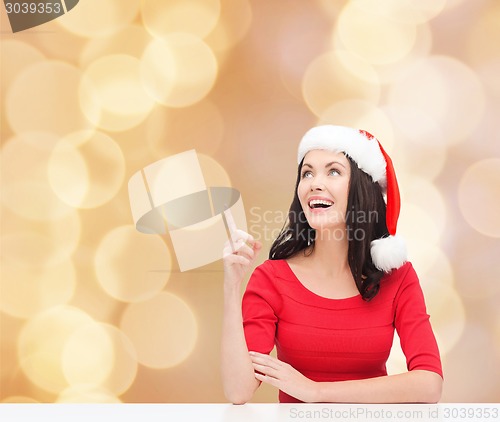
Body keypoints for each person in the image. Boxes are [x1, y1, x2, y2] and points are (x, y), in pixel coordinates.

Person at [221, 125, 443, 404]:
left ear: (361, 188)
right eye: (307, 173)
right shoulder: (271, 279)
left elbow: (429, 384)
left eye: (333, 171)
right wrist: (232, 286)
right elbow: (238, 391)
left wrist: (316, 392)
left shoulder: (398, 278)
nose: (315, 182)